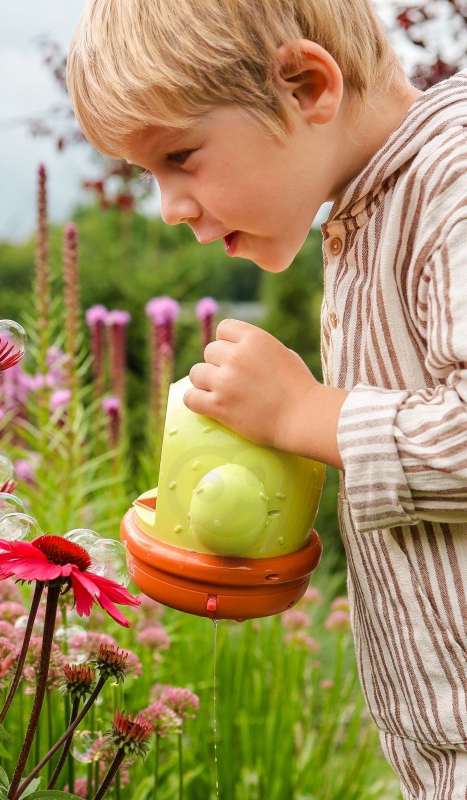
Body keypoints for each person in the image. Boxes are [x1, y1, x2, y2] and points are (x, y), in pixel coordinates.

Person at [67, 1, 467, 797]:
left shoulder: (452, 186)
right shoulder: (366, 213)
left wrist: (302, 414)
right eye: (150, 175)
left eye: (180, 156)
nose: (169, 206)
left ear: (307, 87)